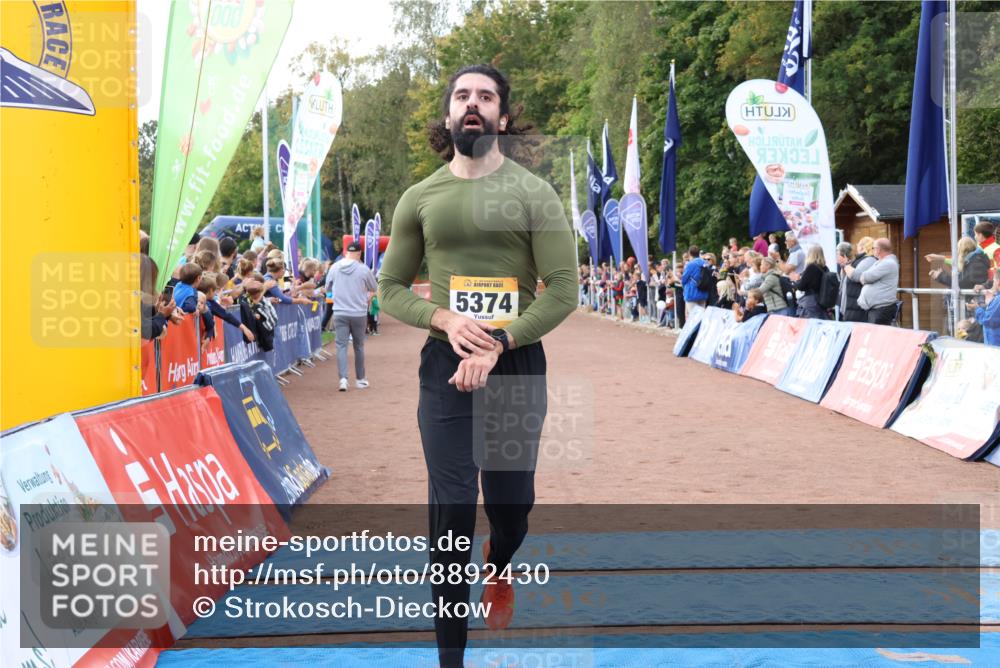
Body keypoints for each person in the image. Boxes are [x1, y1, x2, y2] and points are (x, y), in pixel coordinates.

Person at [377, 63, 576, 668]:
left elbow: (564, 290)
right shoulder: (421, 198)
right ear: (447, 116)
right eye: (462, 95)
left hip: (514, 365)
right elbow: (389, 288)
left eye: (485, 97)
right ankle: (451, 660)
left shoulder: (532, 193)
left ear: (503, 118)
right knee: (452, 509)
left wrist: (500, 341)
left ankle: (500, 561)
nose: (473, 104)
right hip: (445, 366)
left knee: (511, 508)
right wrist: (444, 321)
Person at [327, 241, 378, 391]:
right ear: (359, 253)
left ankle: (343, 379)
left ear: (345, 252)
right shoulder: (363, 269)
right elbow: (374, 287)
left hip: (340, 312)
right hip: (358, 313)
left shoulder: (334, 267)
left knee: (341, 346)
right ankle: (360, 379)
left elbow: (327, 287)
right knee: (359, 347)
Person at [846, 237, 899, 325]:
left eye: (873, 248)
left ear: (878, 250)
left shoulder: (887, 263)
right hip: (877, 309)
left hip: (881, 309)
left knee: (878, 337)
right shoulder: (881, 261)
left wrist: (863, 277)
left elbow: (865, 277)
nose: (872, 250)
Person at [838, 239, 876, 322]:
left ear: (863, 246)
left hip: (857, 307)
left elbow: (856, 275)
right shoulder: (860, 259)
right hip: (852, 306)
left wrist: (846, 266)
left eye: (858, 245)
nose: (857, 247)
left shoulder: (869, 260)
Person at [790, 245, 829, 319]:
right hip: (821, 301)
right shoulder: (825, 268)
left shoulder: (811, 267)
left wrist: (796, 280)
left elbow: (801, 286)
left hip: (810, 302)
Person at [681, 245, 709, 317]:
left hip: (691, 292)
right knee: (702, 316)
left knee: (694, 317)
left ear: (689, 253)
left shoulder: (690, 264)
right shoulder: (705, 263)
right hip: (703, 291)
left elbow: (684, 279)